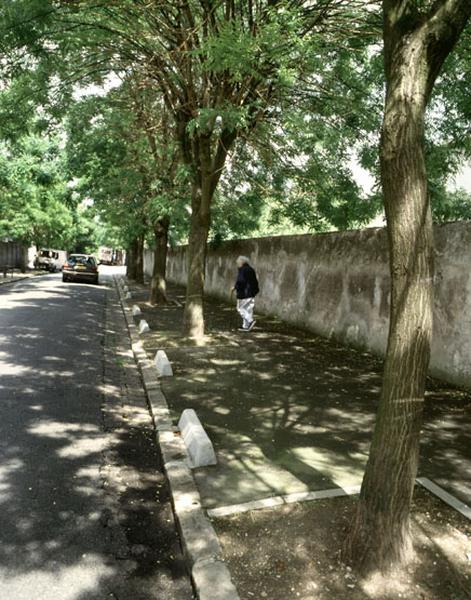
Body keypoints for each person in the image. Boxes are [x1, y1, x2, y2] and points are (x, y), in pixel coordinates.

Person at [232, 256, 259, 332]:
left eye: (238, 262)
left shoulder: (243, 270)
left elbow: (241, 281)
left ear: (242, 262)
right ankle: (246, 326)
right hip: (251, 292)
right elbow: (255, 281)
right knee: (248, 310)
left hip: (244, 293)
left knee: (240, 308)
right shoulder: (251, 269)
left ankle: (250, 321)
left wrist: (235, 287)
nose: (237, 264)